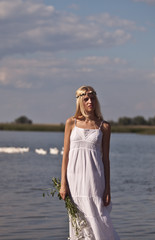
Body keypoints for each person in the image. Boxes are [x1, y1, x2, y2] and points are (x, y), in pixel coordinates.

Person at [60, 86, 120, 240]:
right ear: (80, 101)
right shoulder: (71, 123)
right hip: (74, 180)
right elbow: (65, 155)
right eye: (86, 99)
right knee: (78, 219)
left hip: (94, 180)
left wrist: (108, 189)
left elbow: (106, 160)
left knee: (99, 216)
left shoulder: (104, 127)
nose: (90, 101)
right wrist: (63, 184)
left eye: (92, 98)